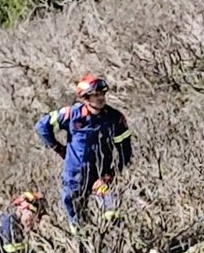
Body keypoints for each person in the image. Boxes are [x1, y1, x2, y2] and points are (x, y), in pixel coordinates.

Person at [37, 75, 133, 223]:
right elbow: (42, 126)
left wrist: (110, 175)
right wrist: (58, 148)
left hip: (101, 177)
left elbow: (125, 151)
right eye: (96, 95)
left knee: (111, 215)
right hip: (74, 177)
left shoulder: (115, 118)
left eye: (102, 94)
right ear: (86, 98)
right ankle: (84, 243)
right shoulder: (71, 114)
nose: (101, 98)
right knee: (77, 220)